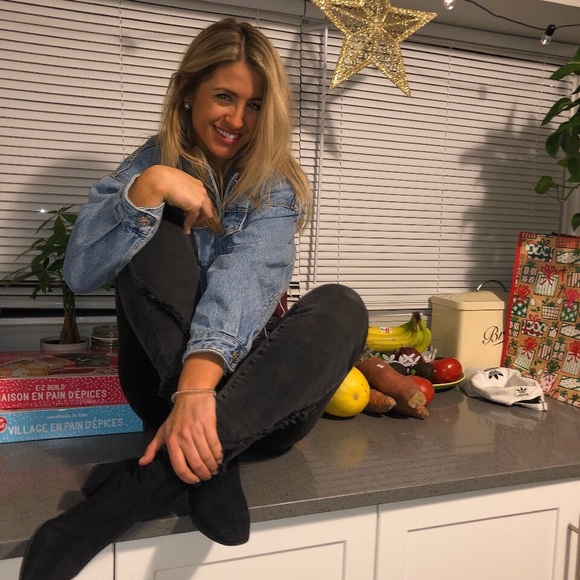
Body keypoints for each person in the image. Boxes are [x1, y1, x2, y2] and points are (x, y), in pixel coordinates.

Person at [19, 17, 368, 580]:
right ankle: (212, 465)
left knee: (343, 304)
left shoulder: (275, 184)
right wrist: (150, 187)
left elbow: (243, 280)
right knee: (152, 226)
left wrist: (199, 392)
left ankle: (128, 496)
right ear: (187, 92)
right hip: (161, 390)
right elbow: (80, 272)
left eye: (254, 106)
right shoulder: (149, 161)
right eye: (225, 97)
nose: (238, 120)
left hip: (259, 407)